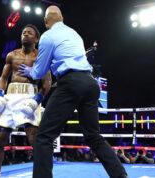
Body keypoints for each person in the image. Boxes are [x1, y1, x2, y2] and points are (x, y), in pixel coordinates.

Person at [18, 5, 128, 178]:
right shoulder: (74, 34)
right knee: (93, 136)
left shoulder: (48, 35)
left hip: (71, 83)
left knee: (43, 137)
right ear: (62, 19)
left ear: (46, 21)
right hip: (91, 84)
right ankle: (121, 175)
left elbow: (39, 72)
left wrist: (30, 71)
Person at [0, 24, 51, 178]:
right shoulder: (11, 55)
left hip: (30, 96)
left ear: (36, 39)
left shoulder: (40, 57)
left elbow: (46, 84)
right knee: (0, 140)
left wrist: (36, 100)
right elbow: (3, 78)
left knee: (34, 139)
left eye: (29, 33)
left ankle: (41, 175)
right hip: (11, 96)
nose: (25, 34)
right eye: (24, 32)